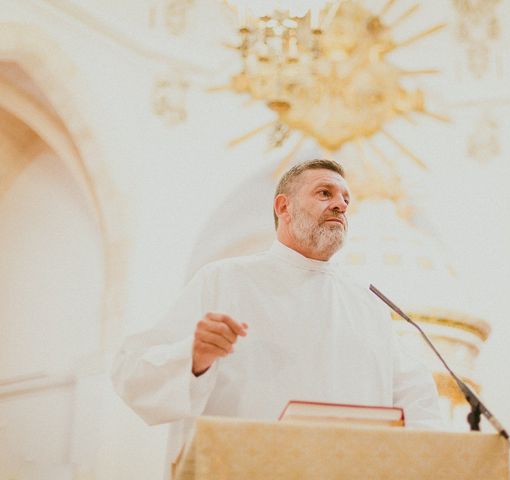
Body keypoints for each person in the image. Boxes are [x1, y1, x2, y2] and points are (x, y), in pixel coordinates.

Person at [111, 159, 442, 472]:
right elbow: (132, 374)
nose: (340, 205)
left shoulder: (367, 303)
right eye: (325, 193)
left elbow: (415, 395)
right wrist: (194, 358)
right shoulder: (225, 279)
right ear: (283, 207)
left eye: (345, 199)